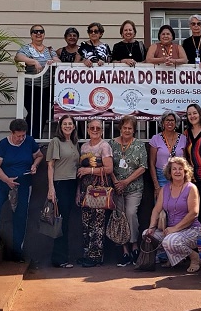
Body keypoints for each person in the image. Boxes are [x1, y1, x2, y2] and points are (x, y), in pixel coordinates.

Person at [0, 119, 44, 262]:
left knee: (20, 216)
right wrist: (7, 180)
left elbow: (39, 156)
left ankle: (17, 250)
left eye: (23, 135)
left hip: (23, 183)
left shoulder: (29, 141)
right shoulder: (4, 144)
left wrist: (35, 165)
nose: (21, 138)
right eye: (18, 136)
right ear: (11, 133)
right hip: (4, 182)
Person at [144, 157, 201, 273]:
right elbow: (156, 210)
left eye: (181, 169)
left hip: (192, 229)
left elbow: (194, 213)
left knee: (169, 241)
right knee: (147, 235)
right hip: (171, 231)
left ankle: (194, 257)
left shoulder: (191, 188)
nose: (177, 171)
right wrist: (151, 227)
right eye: (174, 169)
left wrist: (175, 228)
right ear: (169, 172)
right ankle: (174, 257)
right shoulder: (164, 189)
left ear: (185, 172)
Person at [109, 115, 147, 266]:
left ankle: (134, 245)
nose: (127, 130)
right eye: (124, 127)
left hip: (134, 187)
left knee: (131, 213)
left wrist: (126, 182)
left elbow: (143, 166)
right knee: (120, 216)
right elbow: (108, 164)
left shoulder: (139, 145)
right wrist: (116, 182)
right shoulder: (112, 143)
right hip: (116, 188)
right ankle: (124, 249)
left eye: (130, 128)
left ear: (134, 130)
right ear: (120, 128)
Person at [77, 119, 114, 267]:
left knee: (98, 223)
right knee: (86, 223)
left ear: (102, 131)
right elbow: (80, 171)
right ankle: (87, 254)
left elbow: (109, 169)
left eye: (98, 128)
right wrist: (78, 192)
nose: (95, 130)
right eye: (92, 127)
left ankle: (96, 256)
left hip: (99, 190)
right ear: (87, 130)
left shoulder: (105, 146)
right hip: (85, 190)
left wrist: (89, 170)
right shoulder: (84, 147)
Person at [46, 115, 80, 268]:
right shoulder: (55, 142)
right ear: (60, 126)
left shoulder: (74, 143)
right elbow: (50, 166)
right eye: (65, 124)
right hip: (60, 184)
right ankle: (59, 259)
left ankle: (62, 257)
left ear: (73, 126)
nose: (67, 126)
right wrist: (51, 188)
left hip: (72, 184)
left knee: (66, 221)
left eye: (70, 124)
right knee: (60, 222)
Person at [15, 25, 59, 137]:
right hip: (30, 87)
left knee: (43, 114)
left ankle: (36, 138)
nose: (38, 34)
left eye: (41, 31)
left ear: (44, 34)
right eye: (35, 32)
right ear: (31, 35)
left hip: (46, 88)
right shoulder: (27, 48)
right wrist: (34, 61)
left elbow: (57, 60)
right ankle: (29, 138)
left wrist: (53, 62)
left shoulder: (49, 50)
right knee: (34, 113)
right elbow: (18, 57)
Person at [149, 111, 187, 197]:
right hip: (161, 176)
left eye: (172, 120)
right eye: (167, 120)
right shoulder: (156, 139)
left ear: (176, 123)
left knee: (177, 205)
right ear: (162, 122)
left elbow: (185, 162)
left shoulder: (183, 138)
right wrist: (156, 185)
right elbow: (151, 163)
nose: (170, 122)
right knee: (161, 206)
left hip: (178, 175)